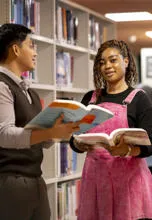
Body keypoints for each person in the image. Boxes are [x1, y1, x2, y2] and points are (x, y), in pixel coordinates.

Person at [69, 39, 152, 220]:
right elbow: (74, 137)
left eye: (113, 60)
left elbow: (151, 145)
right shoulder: (90, 98)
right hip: (95, 179)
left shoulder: (139, 100)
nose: (107, 66)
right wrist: (78, 144)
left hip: (129, 181)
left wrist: (127, 150)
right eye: (102, 62)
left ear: (126, 61)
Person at [0, 23, 80, 220]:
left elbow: (40, 139)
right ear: (16, 49)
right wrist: (50, 133)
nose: (35, 52)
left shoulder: (31, 92)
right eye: (31, 45)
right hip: (10, 182)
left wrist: (58, 131)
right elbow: (4, 135)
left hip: (35, 179)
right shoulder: (2, 86)